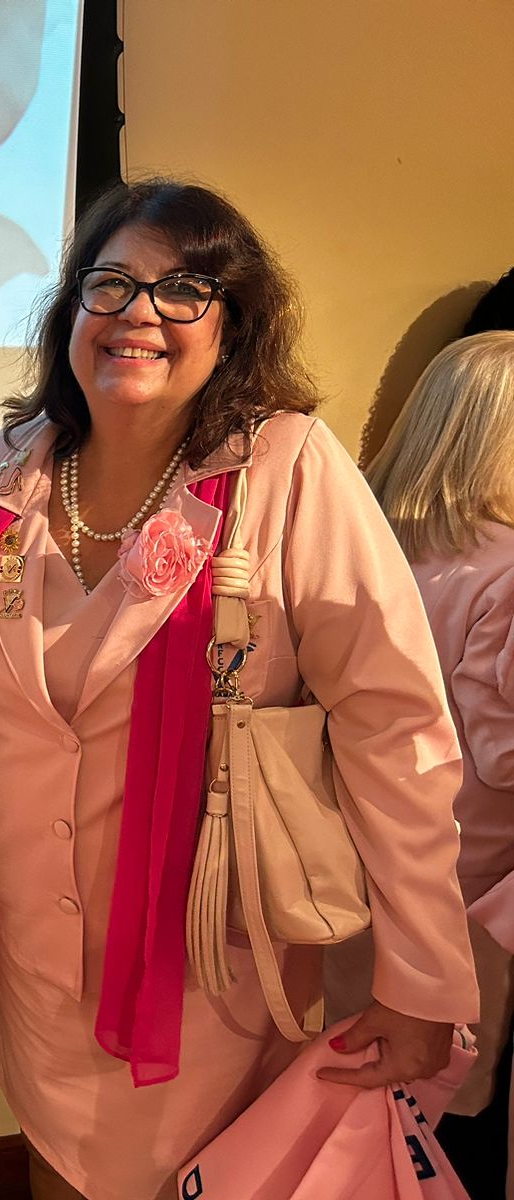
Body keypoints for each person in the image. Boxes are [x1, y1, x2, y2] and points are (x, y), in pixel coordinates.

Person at [0, 178, 479, 1200]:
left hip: (215, 970)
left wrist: (422, 980)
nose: (139, 314)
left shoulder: (286, 470)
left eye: (184, 290)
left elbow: (394, 731)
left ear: (231, 327)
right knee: (60, 1171)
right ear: (70, 312)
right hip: (41, 962)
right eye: (112, 285)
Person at [369, 330, 514, 1199]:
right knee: (457, 1118)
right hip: (470, 890)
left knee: (377, 1102)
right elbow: (501, 754)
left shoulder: (378, 540)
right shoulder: (509, 569)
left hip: (370, 869)